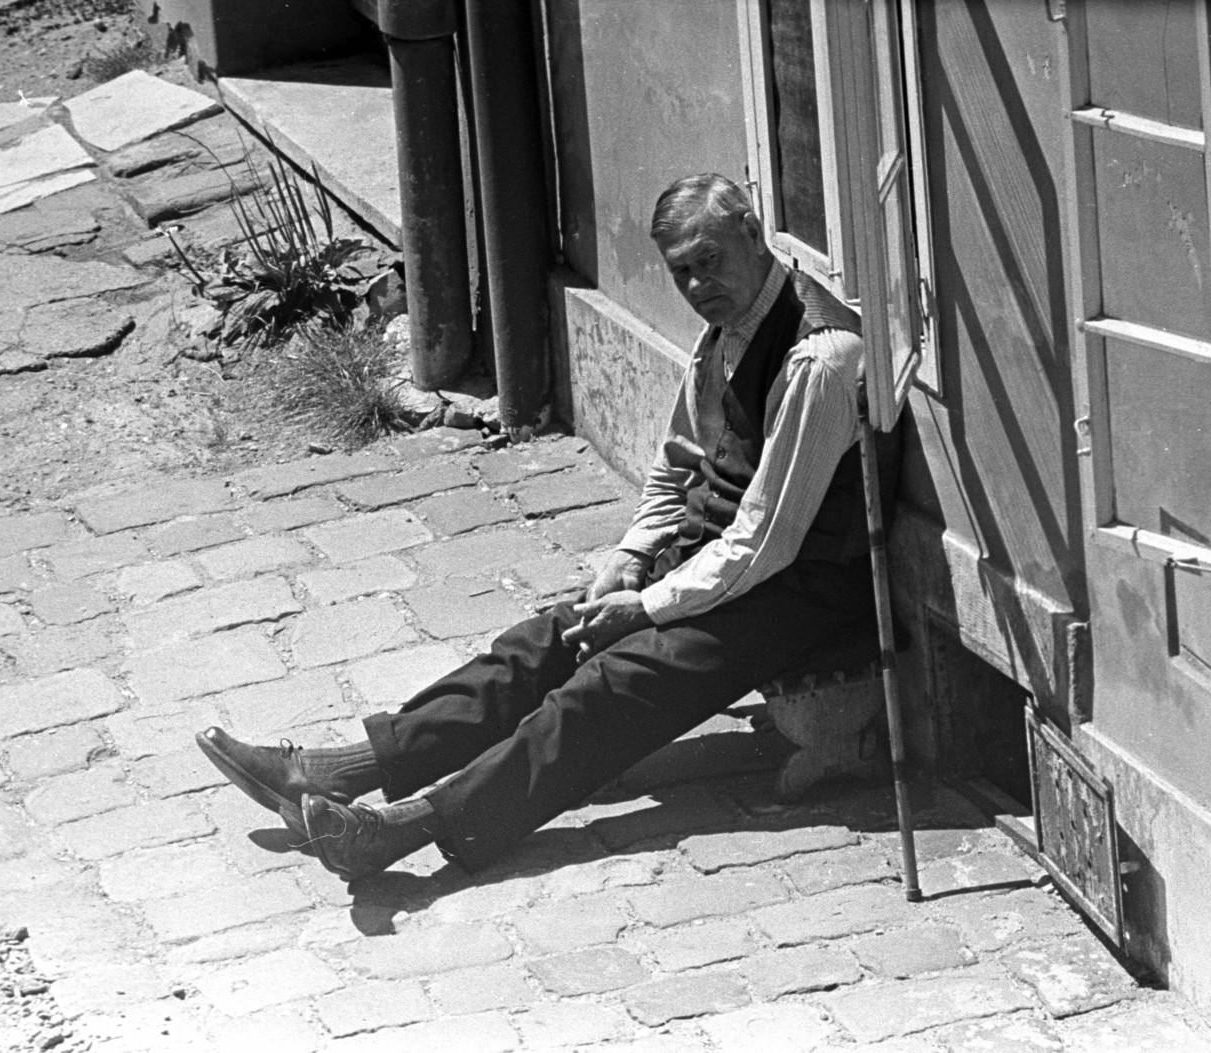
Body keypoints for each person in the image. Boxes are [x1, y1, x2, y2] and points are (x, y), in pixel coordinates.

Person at [196, 173, 895, 881]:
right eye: (680, 270)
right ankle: (341, 767)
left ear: (752, 232)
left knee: (614, 682)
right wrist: (632, 556)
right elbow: (677, 459)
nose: (694, 285)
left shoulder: (819, 357)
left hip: (804, 587)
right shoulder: (725, 330)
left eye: (707, 260)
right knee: (546, 640)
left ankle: (403, 828)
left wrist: (647, 606)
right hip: (722, 559)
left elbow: (764, 540)